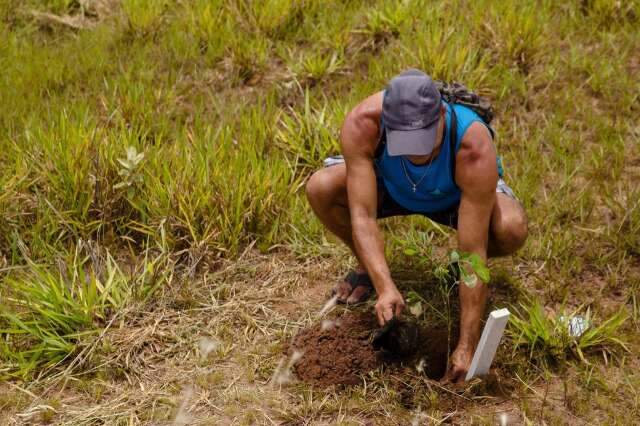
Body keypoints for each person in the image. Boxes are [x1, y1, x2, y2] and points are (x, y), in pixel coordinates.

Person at [305, 69, 528, 383]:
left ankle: (460, 288)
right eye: (406, 143)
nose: (416, 152)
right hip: (393, 188)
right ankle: (369, 269)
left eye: (424, 141)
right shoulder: (363, 124)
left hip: (453, 199)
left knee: (511, 228)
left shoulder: (472, 145)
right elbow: (363, 217)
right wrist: (385, 287)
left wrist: (467, 344)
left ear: (440, 114)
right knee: (321, 187)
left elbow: (473, 254)